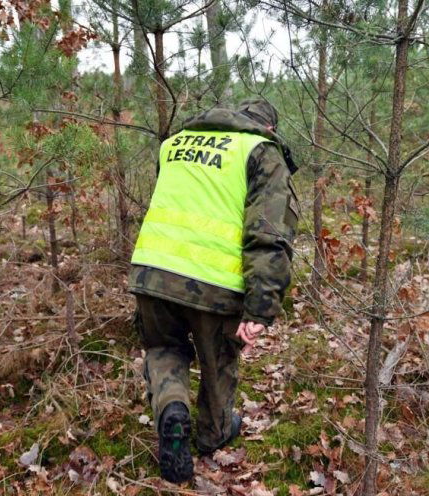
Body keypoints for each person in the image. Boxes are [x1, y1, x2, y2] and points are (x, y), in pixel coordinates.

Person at [128, 99, 299, 482]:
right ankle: (212, 435)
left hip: (152, 270)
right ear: (268, 128)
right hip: (214, 281)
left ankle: (172, 409)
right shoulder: (260, 151)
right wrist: (260, 309)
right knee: (217, 361)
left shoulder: (174, 144)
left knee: (163, 349)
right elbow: (270, 235)